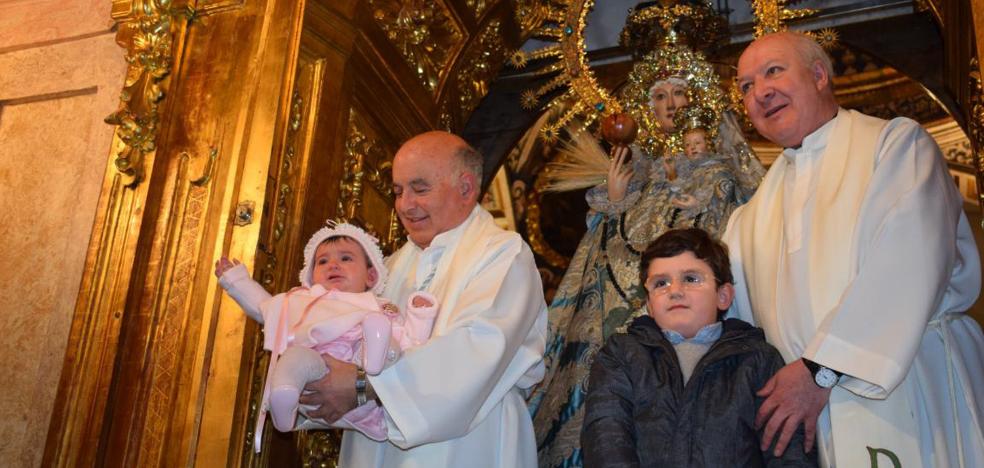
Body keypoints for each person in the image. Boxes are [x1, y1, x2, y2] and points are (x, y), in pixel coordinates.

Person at [726, 31, 984, 467]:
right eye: (747, 86)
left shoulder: (895, 146)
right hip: (807, 420)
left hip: (908, 387)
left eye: (774, 71)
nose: (760, 91)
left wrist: (820, 369)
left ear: (819, 75)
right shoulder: (748, 216)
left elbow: (908, 265)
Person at [530, 42, 763, 468]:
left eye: (680, 92)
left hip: (695, 334)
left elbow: (715, 240)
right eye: (659, 95)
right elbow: (606, 255)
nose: (670, 104)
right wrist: (615, 204)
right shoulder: (635, 177)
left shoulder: (717, 171)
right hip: (625, 335)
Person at [299, 131, 548, 467]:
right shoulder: (386, 267)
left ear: (466, 188)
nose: (405, 205)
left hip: (469, 443)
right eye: (398, 192)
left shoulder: (503, 254)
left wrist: (365, 384)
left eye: (420, 189)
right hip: (374, 447)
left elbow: (477, 350)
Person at [582, 228, 816, 467]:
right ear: (649, 305)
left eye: (691, 279)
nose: (674, 291)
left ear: (723, 295)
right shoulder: (622, 354)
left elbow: (787, 449)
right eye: (661, 283)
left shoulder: (757, 359)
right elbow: (606, 436)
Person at [215, 222, 438, 450]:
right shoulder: (303, 302)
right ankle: (284, 396)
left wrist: (420, 315)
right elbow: (266, 308)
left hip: (366, 381)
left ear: (371, 276)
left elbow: (412, 342)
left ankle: (372, 363)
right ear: (311, 277)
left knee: (388, 339)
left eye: (345, 258)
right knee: (295, 357)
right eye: (322, 261)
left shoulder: (378, 307)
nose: (333, 265)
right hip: (316, 375)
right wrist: (237, 281)